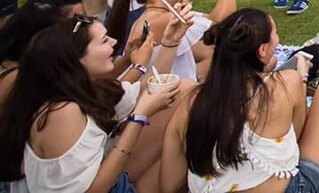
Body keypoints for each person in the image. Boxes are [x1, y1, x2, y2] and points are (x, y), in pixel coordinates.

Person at [160, 8, 319, 193]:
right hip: (289, 186)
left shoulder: (190, 101)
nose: (278, 39)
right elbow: (295, 140)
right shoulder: (286, 82)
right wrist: (302, 76)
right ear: (263, 49)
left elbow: (169, 186)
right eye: (275, 34)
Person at [0, 15, 183, 193]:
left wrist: (170, 40)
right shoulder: (61, 112)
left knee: (185, 96)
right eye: (104, 41)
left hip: (117, 181)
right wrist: (139, 117)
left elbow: (150, 87)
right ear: (78, 59)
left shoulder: (81, 89)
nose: (114, 42)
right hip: (108, 186)